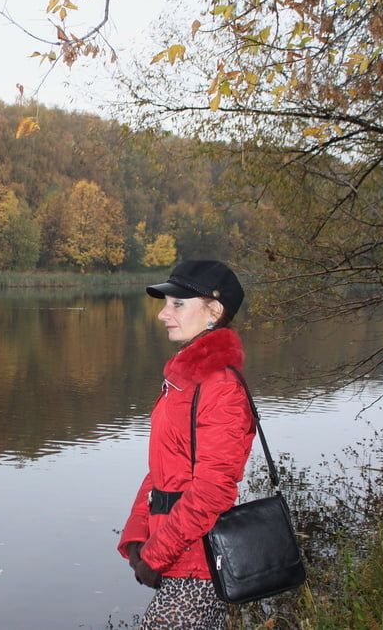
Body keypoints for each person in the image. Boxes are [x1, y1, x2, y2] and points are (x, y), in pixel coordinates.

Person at [118, 259, 255, 630]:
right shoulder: (182, 382)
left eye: (178, 303)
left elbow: (212, 491)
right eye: (166, 303)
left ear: (214, 311)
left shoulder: (220, 387)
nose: (163, 314)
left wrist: (156, 556)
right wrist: (136, 536)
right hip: (174, 555)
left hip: (197, 565)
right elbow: (162, 469)